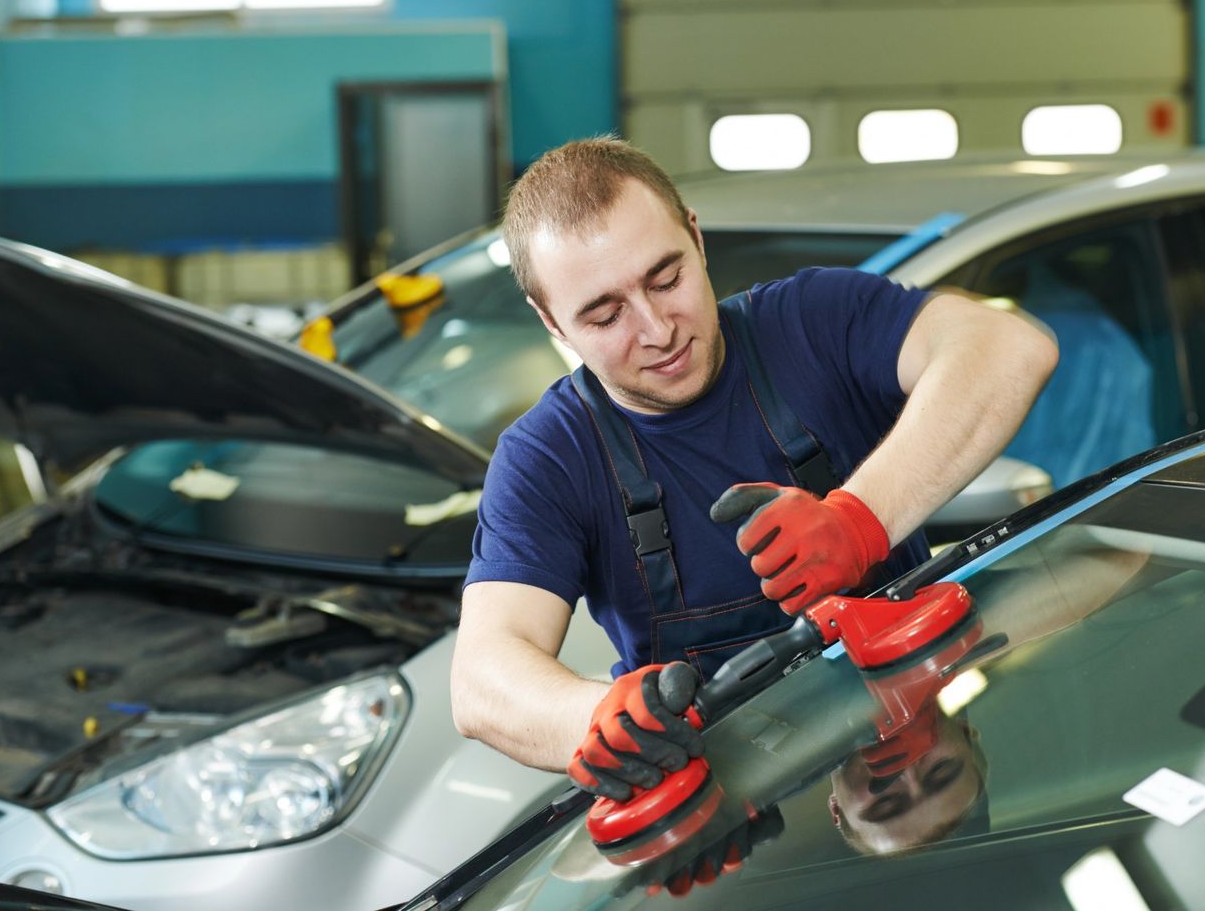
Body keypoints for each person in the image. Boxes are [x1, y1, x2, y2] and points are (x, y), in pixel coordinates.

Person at [450, 136, 1056, 799]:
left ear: (696, 236)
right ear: (551, 321)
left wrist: (860, 521)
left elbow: (1007, 346)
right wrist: (596, 720)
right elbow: (482, 679)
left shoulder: (812, 325)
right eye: (605, 314)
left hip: (911, 734)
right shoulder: (548, 458)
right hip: (730, 823)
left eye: (667, 279)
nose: (657, 329)